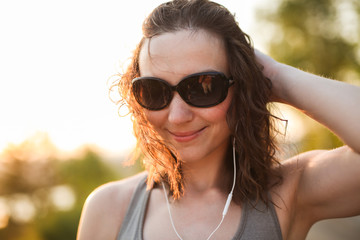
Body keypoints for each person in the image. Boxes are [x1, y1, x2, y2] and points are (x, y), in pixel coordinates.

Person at [77, 0, 360, 239]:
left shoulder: (290, 192)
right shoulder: (108, 208)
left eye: (203, 87)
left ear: (241, 89)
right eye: (153, 91)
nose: (177, 117)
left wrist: (275, 77)